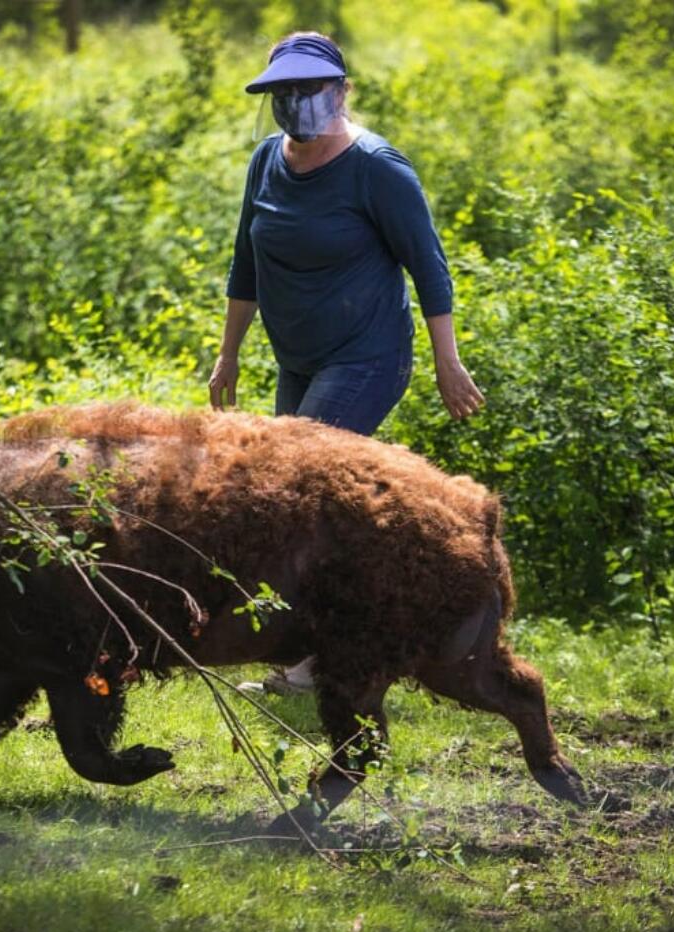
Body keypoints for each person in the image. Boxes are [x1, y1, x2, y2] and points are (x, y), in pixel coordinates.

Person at [209, 32, 484, 695]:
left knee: (299, 499)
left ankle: (323, 658)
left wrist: (449, 361)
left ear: (341, 90)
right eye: (284, 92)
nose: (296, 103)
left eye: (308, 89)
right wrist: (228, 354)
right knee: (291, 500)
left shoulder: (378, 168)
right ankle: (335, 640)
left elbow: (430, 267)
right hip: (297, 359)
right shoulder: (265, 162)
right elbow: (246, 263)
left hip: (366, 357)